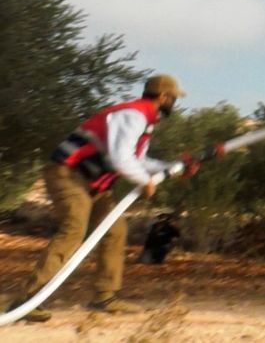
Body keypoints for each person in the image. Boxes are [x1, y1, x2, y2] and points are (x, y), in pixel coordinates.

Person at [5, 73, 196, 322]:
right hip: (68, 174)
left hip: (93, 184)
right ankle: (27, 300)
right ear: (163, 96)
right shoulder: (134, 115)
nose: (174, 103)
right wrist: (144, 180)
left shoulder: (144, 121)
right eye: (173, 98)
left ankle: (105, 297)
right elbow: (121, 158)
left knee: (114, 231)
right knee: (74, 228)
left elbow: (138, 160)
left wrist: (172, 166)